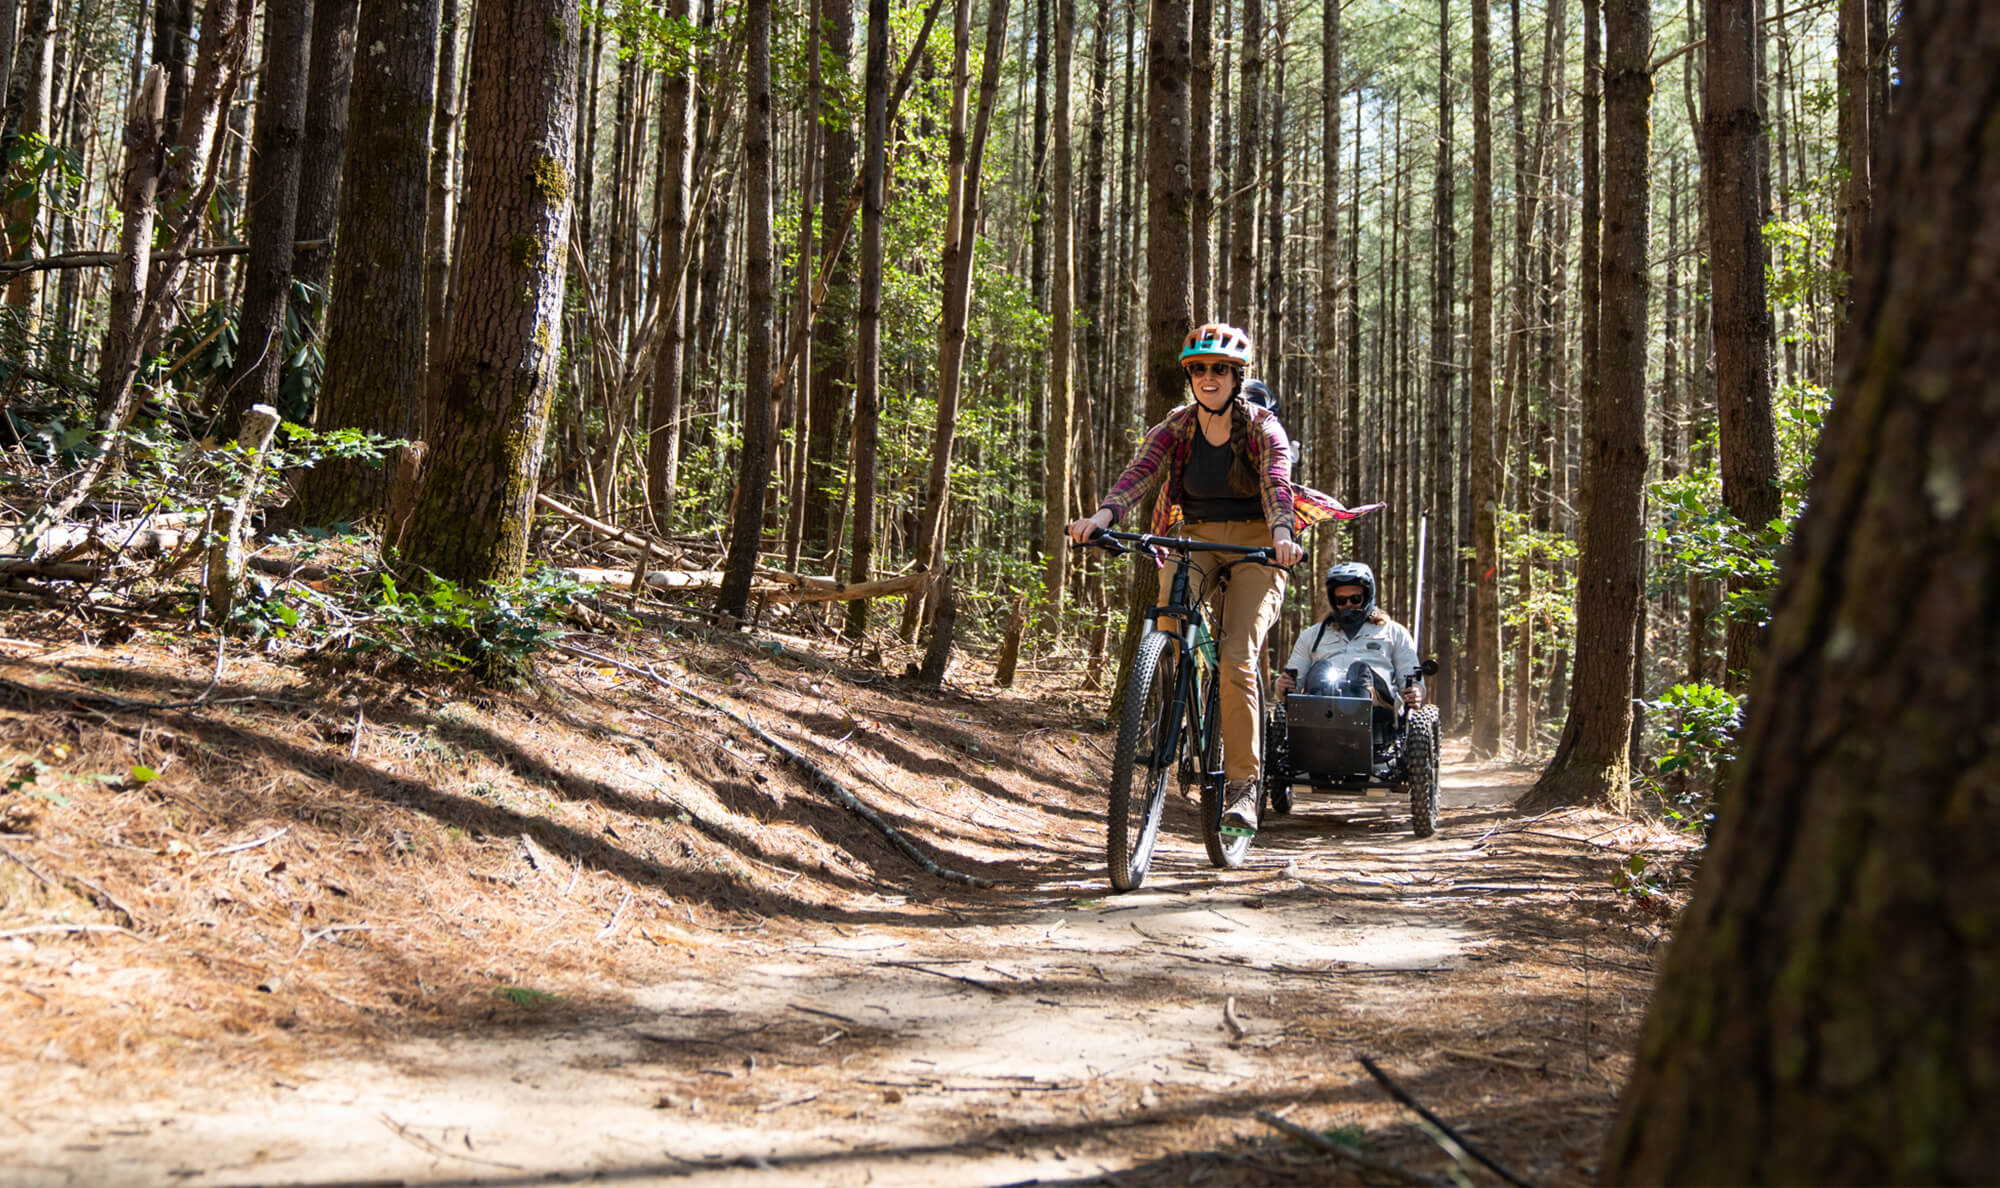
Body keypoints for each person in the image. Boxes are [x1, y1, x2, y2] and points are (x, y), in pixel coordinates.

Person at [1066, 323, 1304, 837]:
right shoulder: (1176, 424)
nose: (1209, 377)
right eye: (1199, 369)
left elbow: (1277, 485)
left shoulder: (1263, 427)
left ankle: (1242, 786)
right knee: (1167, 630)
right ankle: (1174, 709)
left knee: (1239, 655)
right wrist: (1102, 517)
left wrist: (1282, 534)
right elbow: (1140, 472)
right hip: (1191, 536)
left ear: (1238, 376)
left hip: (1257, 544)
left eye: (1220, 368)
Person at [1275, 561, 1423, 754]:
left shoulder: (1394, 632)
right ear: (1333, 600)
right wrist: (1282, 686)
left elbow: (1411, 676)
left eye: (1355, 599)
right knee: (1321, 669)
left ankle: (1357, 731)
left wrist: (1416, 691)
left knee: (1359, 671)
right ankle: (1320, 738)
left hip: (1376, 709)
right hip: (1322, 703)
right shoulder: (1312, 635)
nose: (1348, 605)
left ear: (1367, 596)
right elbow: (1292, 681)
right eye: (1341, 601)